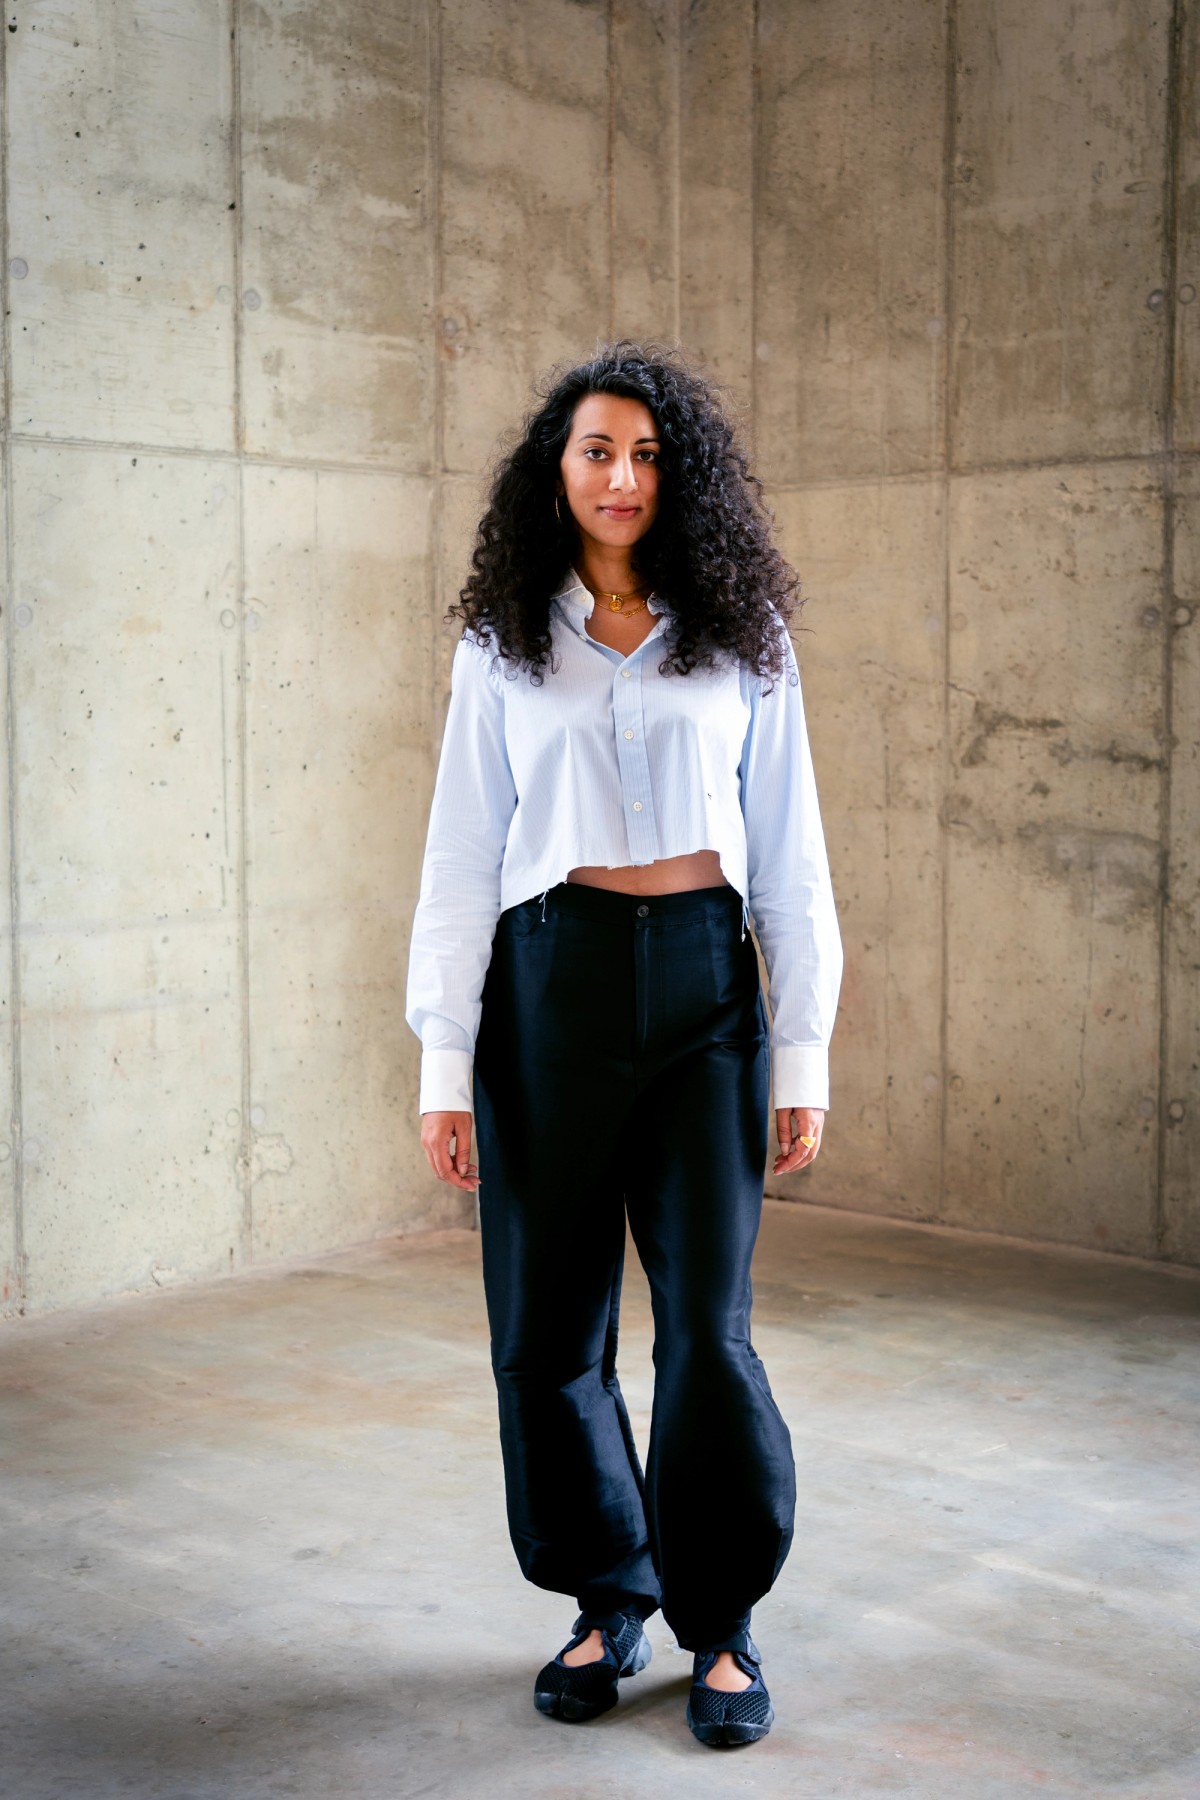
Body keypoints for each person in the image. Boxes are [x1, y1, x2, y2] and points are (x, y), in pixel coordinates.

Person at [405, 341, 843, 1749]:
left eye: (649, 454)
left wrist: (804, 1050)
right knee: (546, 1333)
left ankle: (723, 1622)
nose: (622, 476)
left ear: (682, 477)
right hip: (547, 987)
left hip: (708, 996)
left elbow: (792, 859)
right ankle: (608, 1596)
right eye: (598, 450)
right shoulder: (501, 643)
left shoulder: (743, 638)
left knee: (706, 1334)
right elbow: (462, 858)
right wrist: (440, 1059)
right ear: (558, 468)